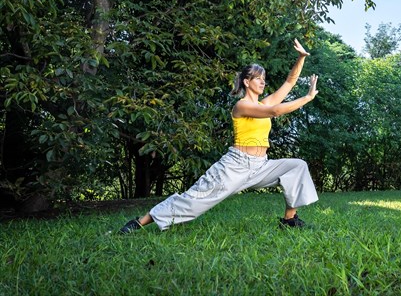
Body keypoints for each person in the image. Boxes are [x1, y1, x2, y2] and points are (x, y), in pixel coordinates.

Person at [119, 38, 319, 234]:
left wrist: (301, 57)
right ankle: (139, 222)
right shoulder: (241, 106)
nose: (263, 81)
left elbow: (290, 81)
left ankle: (289, 220)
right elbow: (275, 111)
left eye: (263, 78)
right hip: (235, 167)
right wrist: (307, 97)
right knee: (193, 201)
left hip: (261, 166)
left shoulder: (263, 104)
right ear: (247, 82)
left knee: (297, 166)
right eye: (258, 78)